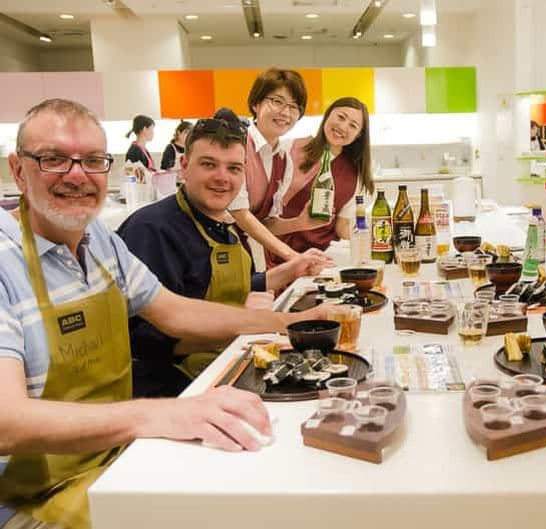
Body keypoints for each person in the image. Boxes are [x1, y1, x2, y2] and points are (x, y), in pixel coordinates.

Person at [0, 99, 328, 529]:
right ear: (19, 170)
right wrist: (161, 413)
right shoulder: (6, 262)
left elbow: (177, 312)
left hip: (117, 455)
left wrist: (291, 324)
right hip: (34, 496)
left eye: (94, 161)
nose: (77, 175)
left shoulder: (99, 240)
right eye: (54, 159)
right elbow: (7, 422)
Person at [118, 117, 329, 397]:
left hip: (224, 360)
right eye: (208, 164)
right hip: (175, 385)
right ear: (184, 167)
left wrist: (291, 270)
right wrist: (251, 324)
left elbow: (230, 287)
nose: (222, 177)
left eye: (233, 168)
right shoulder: (153, 229)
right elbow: (143, 339)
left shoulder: (220, 223)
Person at [263, 97, 374, 266]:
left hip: (321, 260)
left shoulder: (355, 175)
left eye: (353, 125)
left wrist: (369, 237)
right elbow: (264, 208)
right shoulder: (289, 148)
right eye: (341, 117)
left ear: (358, 135)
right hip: (278, 251)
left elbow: (341, 227)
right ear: (328, 115)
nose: (343, 127)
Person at [226, 68, 312, 263]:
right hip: (211, 248)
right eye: (277, 101)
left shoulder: (283, 159)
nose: (285, 112)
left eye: (294, 106)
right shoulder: (236, 143)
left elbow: (266, 222)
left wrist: (300, 222)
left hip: (244, 254)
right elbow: (238, 212)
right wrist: (291, 255)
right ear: (256, 103)